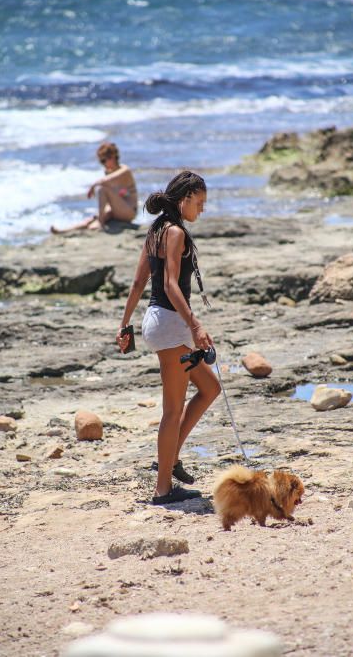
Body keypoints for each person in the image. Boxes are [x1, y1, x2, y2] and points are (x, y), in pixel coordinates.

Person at [116, 171, 221, 505]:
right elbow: (172, 286)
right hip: (172, 324)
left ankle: (170, 458)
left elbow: (137, 285)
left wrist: (124, 325)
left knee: (210, 388)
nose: (201, 210)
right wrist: (195, 325)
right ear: (185, 198)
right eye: (200, 203)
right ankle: (163, 489)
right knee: (173, 410)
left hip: (158, 321)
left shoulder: (156, 230)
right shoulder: (174, 232)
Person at [50, 142, 137, 234]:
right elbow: (111, 195)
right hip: (116, 209)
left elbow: (105, 181)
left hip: (129, 211)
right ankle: (64, 231)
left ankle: (101, 222)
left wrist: (93, 186)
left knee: (102, 189)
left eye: (104, 160)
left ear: (113, 157)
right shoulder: (108, 172)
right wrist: (103, 214)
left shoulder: (125, 170)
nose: (103, 164)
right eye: (101, 161)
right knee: (91, 220)